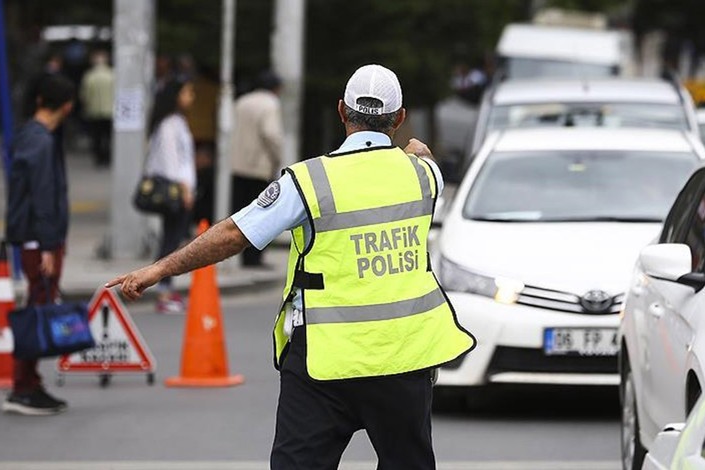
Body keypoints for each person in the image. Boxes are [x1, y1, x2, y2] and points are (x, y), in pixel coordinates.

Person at [107, 64, 475, 469]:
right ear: (400, 117)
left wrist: (158, 270)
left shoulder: (308, 181)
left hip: (323, 361)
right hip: (405, 358)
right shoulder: (424, 176)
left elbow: (234, 234)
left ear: (341, 111)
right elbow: (421, 154)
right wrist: (416, 150)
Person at [3, 74, 75, 415]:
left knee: (38, 304)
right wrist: (49, 245)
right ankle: (22, 387)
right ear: (67, 105)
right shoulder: (42, 142)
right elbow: (43, 197)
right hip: (39, 240)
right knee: (37, 309)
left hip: (36, 238)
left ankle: (30, 383)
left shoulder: (29, 135)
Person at [142, 78, 196, 314]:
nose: (191, 97)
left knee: (172, 238)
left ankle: (166, 287)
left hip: (181, 189)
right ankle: (163, 290)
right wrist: (184, 190)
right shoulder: (169, 124)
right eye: (187, 92)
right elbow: (171, 162)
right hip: (175, 191)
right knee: (170, 240)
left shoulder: (176, 122)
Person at [229, 70, 283, 267]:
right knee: (261, 214)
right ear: (275, 88)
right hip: (259, 166)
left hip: (238, 164)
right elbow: (271, 133)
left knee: (241, 212)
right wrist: (277, 158)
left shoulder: (242, 102)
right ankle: (255, 258)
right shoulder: (270, 104)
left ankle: (243, 256)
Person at [79, 50, 114, 167]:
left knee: (97, 136)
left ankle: (99, 157)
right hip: (110, 111)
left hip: (94, 111)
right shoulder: (112, 75)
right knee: (108, 136)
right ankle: (107, 157)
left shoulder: (89, 76)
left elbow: (85, 94)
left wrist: (86, 106)